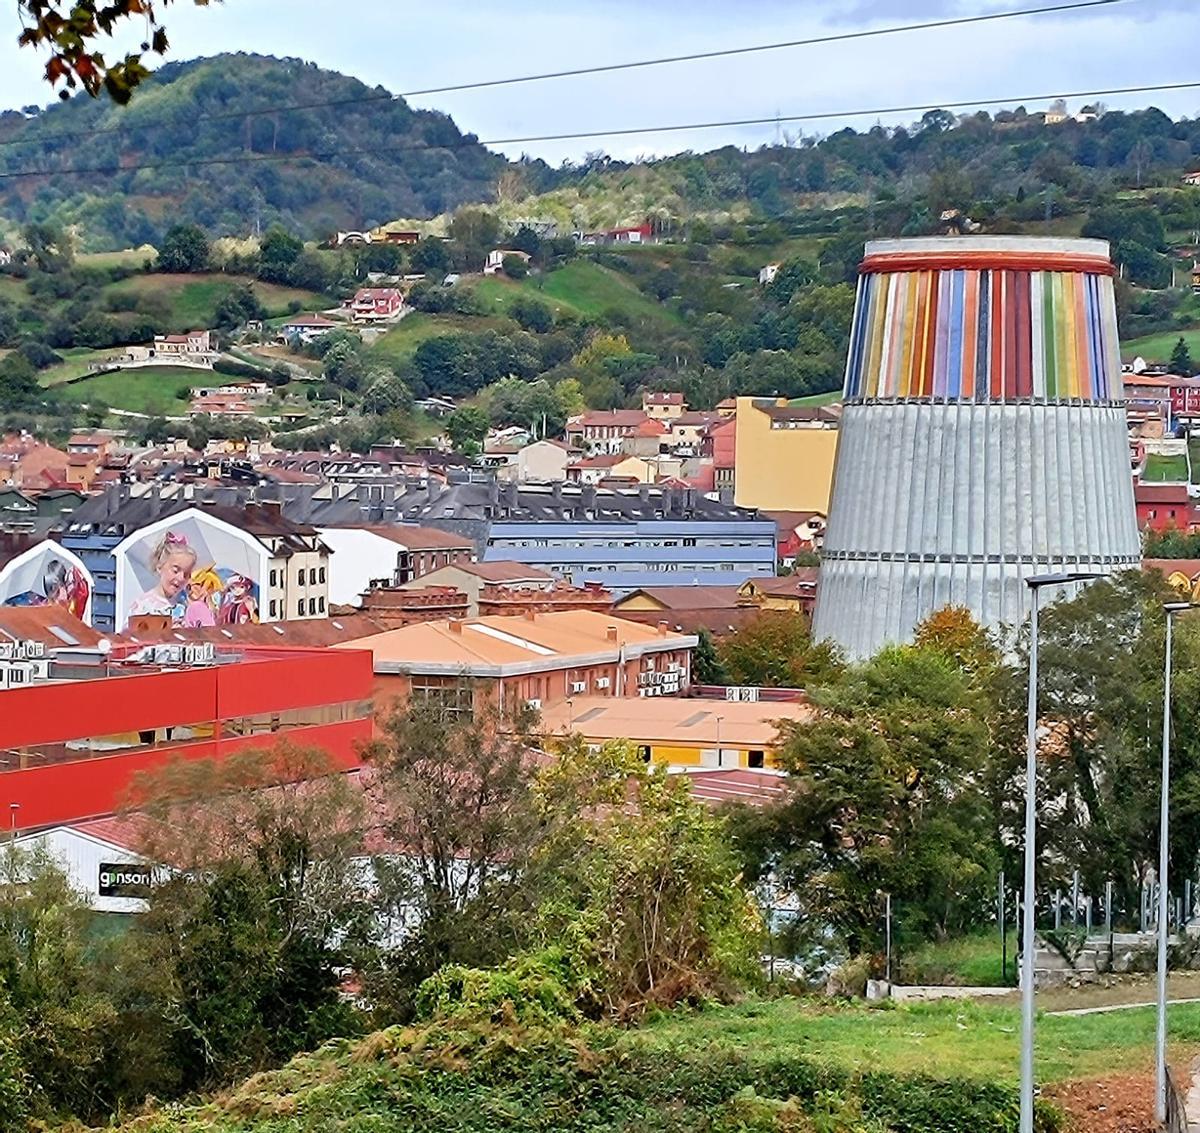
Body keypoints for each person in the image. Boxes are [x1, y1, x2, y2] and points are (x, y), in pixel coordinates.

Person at [130, 532, 197, 620]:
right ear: (159, 567)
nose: (181, 578)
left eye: (186, 574)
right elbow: (129, 632)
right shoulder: (144, 607)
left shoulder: (186, 602)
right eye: (175, 571)